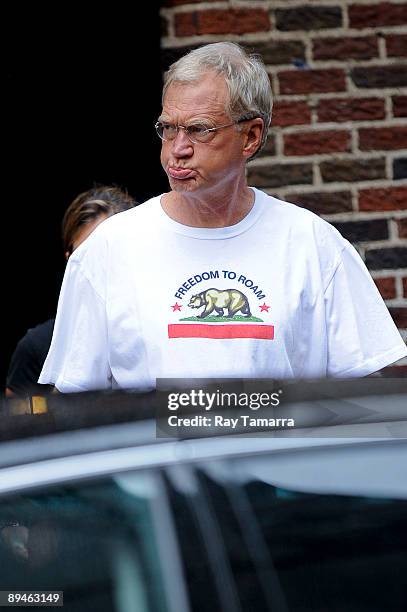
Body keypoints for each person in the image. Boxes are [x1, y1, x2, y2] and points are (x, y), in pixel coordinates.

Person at [39, 42, 406, 392]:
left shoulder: (314, 245)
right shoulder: (108, 249)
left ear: (250, 136)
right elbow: (78, 407)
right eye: (168, 129)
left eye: (199, 130)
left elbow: (362, 405)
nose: (177, 150)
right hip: (161, 458)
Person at [6, 185, 137, 397]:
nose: (98, 266)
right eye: (87, 254)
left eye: (111, 251)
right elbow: (22, 428)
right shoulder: (36, 347)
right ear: (70, 260)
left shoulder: (158, 332)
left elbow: (181, 417)